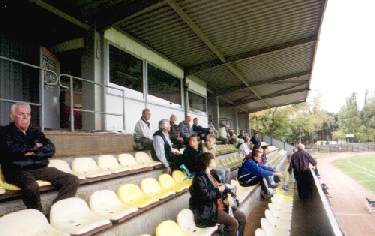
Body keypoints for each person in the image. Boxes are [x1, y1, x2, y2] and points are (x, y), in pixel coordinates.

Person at [0, 102, 79, 212]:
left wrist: (31, 152)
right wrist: (34, 147)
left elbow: (50, 148)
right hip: (16, 170)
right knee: (31, 186)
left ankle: (55, 211)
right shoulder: (4, 131)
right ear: (12, 116)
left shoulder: (35, 132)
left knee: (71, 180)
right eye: (21, 114)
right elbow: (11, 149)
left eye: (28, 114)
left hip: (37, 167)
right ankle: (38, 215)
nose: (25, 117)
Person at [189, 152, 246, 236]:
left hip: (220, 205)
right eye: (213, 160)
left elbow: (224, 188)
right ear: (207, 162)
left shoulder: (212, 174)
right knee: (233, 223)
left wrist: (228, 197)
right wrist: (219, 190)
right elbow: (206, 196)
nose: (215, 161)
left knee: (242, 217)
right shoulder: (198, 178)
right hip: (209, 210)